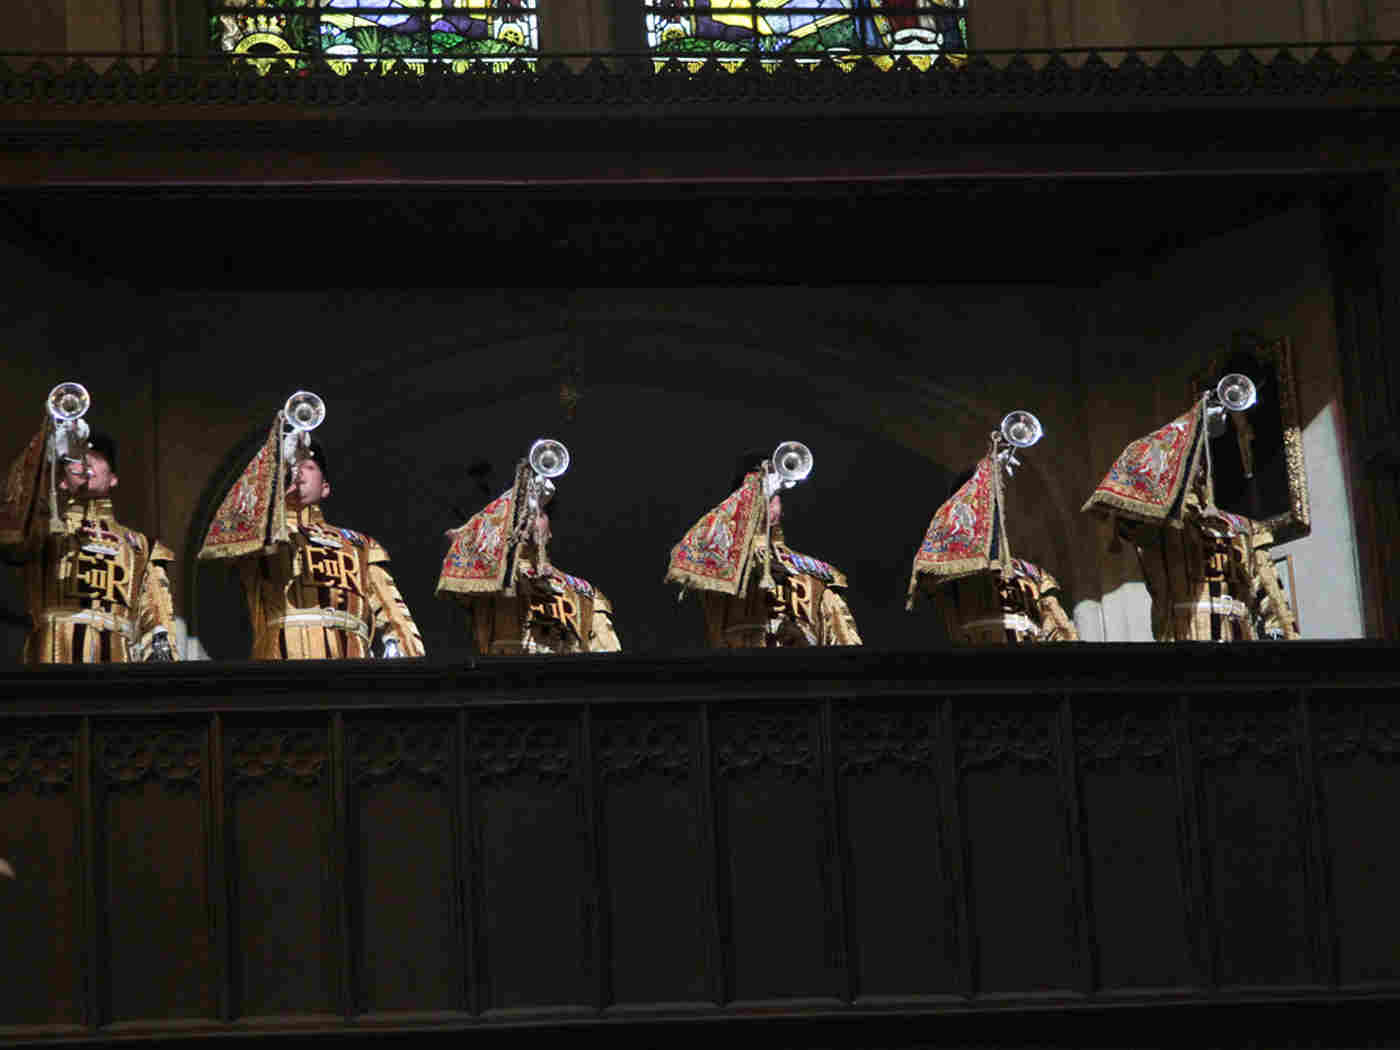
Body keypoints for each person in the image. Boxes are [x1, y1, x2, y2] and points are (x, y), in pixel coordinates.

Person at [197, 408, 424, 659]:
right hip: (281, 660)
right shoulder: (261, 536)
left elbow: (394, 612)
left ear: (325, 487)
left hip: (353, 665)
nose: (300, 472)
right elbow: (227, 530)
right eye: (293, 466)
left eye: (309, 466)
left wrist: (408, 660)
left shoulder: (360, 544)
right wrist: (276, 460)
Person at [1082, 395, 1299, 642]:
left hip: (1240, 644)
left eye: (1198, 463)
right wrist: (1193, 423)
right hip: (1183, 642)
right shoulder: (1159, 528)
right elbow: (1130, 474)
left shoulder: (1244, 527)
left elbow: (1270, 592)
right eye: (1187, 462)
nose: (1195, 470)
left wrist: (1282, 637)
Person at [0, 423, 178, 664]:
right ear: (62, 479)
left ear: (113, 478)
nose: (86, 463)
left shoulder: (142, 547)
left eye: (97, 457)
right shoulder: (43, 532)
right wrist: (46, 449)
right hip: (49, 662)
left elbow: (157, 621)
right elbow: (15, 516)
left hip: (116, 668)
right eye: (75, 457)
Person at [666, 448, 861, 648]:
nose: (764, 501)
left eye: (772, 495)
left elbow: (848, 653)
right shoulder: (719, 568)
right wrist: (754, 495)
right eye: (754, 494)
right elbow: (687, 555)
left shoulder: (814, 577)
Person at [436, 451, 620, 655]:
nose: (530, 520)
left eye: (539, 514)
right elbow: (467, 562)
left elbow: (609, 660)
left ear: (549, 530)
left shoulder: (584, 594)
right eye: (522, 516)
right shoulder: (492, 586)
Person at [908, 451, 1078, 644]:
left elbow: (1059, 631)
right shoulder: (952, 567)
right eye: (988, 500)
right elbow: (929, 574)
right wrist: (985, 473)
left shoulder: (1033, 573)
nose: (993, 509)